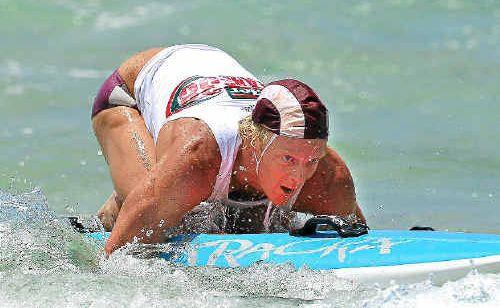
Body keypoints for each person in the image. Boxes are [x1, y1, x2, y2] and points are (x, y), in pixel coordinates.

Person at [91, 44, 365, 255]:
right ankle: (123, 202)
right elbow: (117, 256)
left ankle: (155, 190)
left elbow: (365, 241)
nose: (299, 176)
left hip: (209, 79)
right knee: (170, 220)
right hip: (128, 96)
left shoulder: (328, 178)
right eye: (288, 158)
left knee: (247, 223)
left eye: (312, 160)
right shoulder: (198, 155)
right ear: (254, 141)